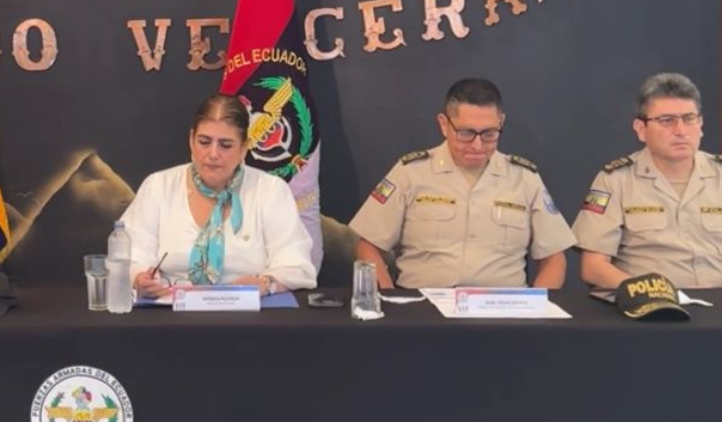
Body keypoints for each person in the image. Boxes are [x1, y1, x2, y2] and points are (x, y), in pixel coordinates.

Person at [350, 78, 576, 289]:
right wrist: (388, 303)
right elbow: (368, 247)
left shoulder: (524, 178)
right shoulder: (410, 173)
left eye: (489, 133)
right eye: (466, 133)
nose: (477, 146)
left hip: (503, 313)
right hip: (423, 311)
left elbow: (554, 258)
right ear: (444, 124)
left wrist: (535, 312)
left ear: (501, 123)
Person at [121, 93, 317, 298]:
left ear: (243, 148)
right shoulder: (159, 186)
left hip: (248, 317)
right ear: (191, 140)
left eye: (225, 145)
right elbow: (128, 256)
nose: (213, 154)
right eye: (204, 142)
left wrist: (266, 283)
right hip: (170, 316)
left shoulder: (270, 191)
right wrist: (138, 278)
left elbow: (297, 265)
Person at [573, 73, 722, 289]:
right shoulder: (616, 180)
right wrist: (651, 293)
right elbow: (593, 268)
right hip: (649, 309)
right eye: (666, 121)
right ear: (641, 129)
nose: (680, 131)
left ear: (700, 124)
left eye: (689, 119)